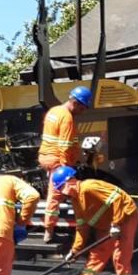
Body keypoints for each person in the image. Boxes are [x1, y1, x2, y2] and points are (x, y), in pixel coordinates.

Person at [50, 166, 138, 275]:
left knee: (120, 257)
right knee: (97, 254)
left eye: (62, 188)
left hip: (125, 216)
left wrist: (116, 224)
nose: (62, 193)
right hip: (106, 222)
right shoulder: (76, 200)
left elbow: (117, 198)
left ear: (70, 182)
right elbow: (82, 227)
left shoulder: (88, 187)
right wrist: (75, 251)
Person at [39, 86, 92, 243]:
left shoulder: (54, 111)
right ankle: (49, 232)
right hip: (57, 160)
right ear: (76, 103)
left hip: (45, 156)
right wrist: (65, 168)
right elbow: (65, 146)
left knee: (58, 192)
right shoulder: (67, 118)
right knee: (58, 195)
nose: (83, 111)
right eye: (83, 107)